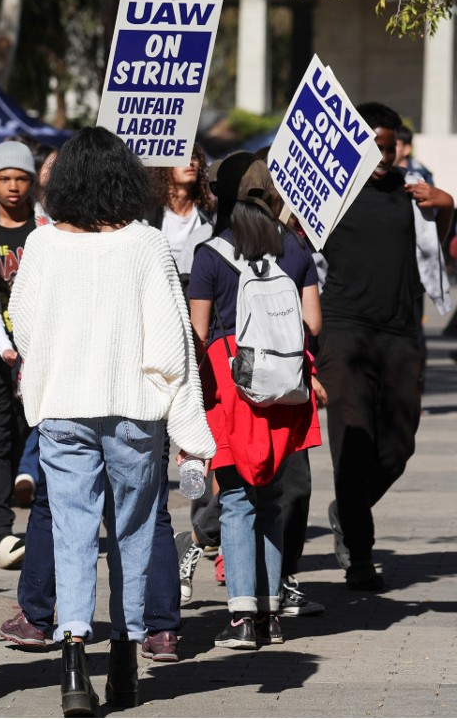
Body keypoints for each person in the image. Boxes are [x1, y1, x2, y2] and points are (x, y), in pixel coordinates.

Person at [11, 126, 215, 716]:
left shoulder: (44, 244)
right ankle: (124, 657)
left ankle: (74, 657)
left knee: (71, 530)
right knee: (132, 534)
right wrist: (190, 432)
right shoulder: (145, 245)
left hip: (65, 408)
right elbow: (173, 345)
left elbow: (23, 326)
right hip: (133, 409)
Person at [187, 153, 322, 650]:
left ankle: (242, 617)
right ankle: (270, 615)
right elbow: (313, 326)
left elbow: (198, 334)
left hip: (231, 386)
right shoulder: (296, 251)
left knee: (237, 499)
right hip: (285, 388)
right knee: (271, 499)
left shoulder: (209, 255)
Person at [317, 102, 453, 591]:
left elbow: (432, 258)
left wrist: (446, 208)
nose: (381, 154)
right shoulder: (326, 198)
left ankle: (347, 508)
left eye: (388, 146)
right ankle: (360, 555)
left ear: (398, 149)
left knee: (398, 448)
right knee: (353, 447)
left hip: (398, 336)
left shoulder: (409, 195)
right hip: (343, 334)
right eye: (372, 145)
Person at [0, 139, 49, 569]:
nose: (13, 187)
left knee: (24, 434)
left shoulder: (46, 225)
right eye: (4, 179)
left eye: (20, 178)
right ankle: (0, 531)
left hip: (36, 348)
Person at [145, 143, 215, 284]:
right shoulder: (147, 214)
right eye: (182, 157)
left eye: (194, 157)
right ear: (165, 167)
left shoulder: (210, 215)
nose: (190, 162)